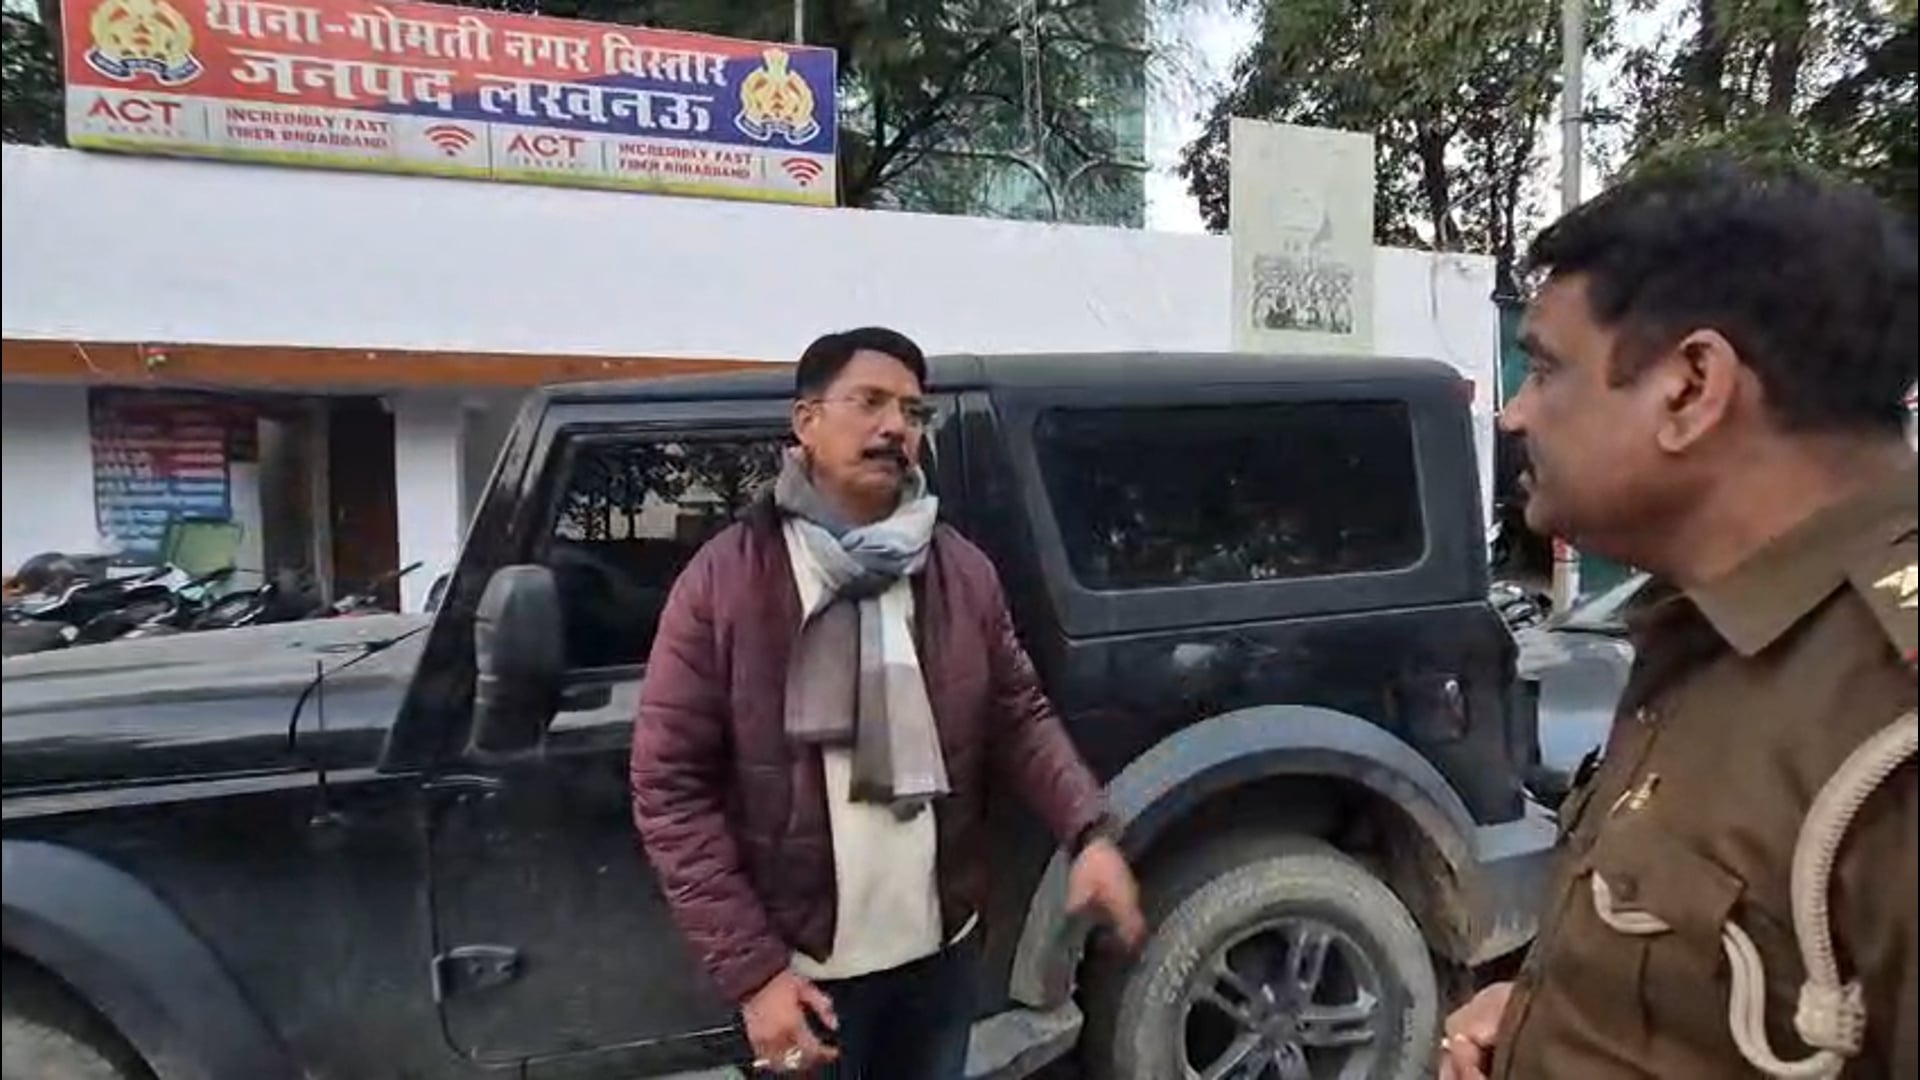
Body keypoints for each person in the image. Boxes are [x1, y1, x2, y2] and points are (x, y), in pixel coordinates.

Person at [1441, 159, 1917, 1080]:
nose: (1514, 414)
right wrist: (1548, 1019)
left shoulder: (1884, 707)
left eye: (1545, 368)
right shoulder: (1712, 629)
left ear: (1692, 387)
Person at [631, 327, 1146, 1079]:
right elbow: (669, 785)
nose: (895, 426)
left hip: (939, 954)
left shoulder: (960, 572)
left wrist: (1088, 831)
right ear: (806, 421)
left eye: (912, 411)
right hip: (803, 976)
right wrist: (754, 976)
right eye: (869, 402)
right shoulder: (726, 582)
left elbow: (1019, 715)